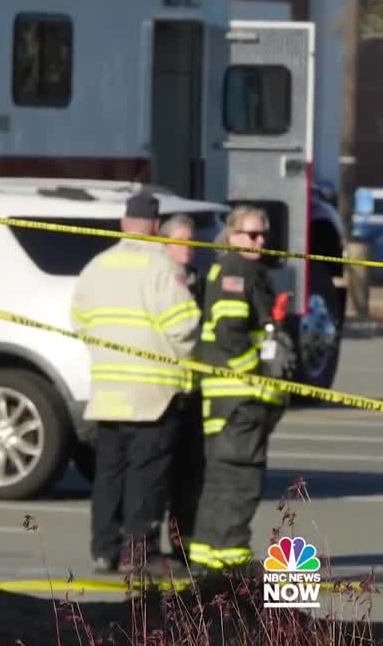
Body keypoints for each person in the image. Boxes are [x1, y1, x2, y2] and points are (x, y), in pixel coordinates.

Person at [71, 190, 201, 573]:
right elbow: (184, 325)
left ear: (124, 224)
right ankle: (138, 554)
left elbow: (78, 319)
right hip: (153, 391)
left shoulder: (97, 266)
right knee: (147, 475)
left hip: (109, 390)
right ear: (156, 227)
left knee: (109, 473)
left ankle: (104, 549)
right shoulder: (161, 267)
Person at [189, 205, 290, 574]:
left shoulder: (236, 269)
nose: (259, 241)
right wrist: (260, 376)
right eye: (250, 234)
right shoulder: (236, 271)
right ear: (231, 235)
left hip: (226, 398)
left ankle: (206, 556)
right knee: (240, 476)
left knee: (220, 476)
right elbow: (231, 336)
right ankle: (232, 557)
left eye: (263, 234)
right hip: (239, 398)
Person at [159, 213, 205, 559]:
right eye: (179, 242)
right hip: (159, 391)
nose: (186, 249)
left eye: (190, 242)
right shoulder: (156, 280)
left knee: (191, 473)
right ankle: (141, 546)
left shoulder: (199, 282)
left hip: (193, 390)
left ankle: (182, 543)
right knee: (158, 473)